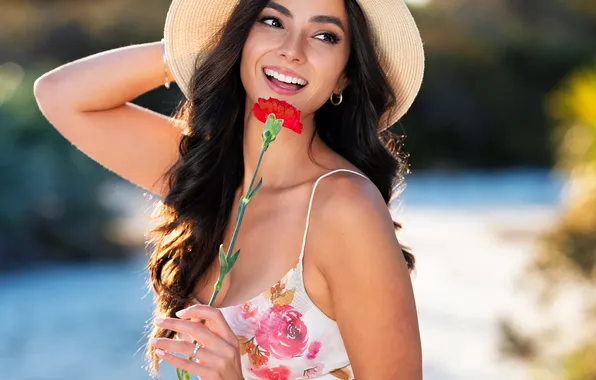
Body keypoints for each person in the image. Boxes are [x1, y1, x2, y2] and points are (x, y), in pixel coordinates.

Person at [33, 0, 425, 378]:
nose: (292, 50)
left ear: (345, 74)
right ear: (239, 37)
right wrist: (199, 44)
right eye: (272, 22)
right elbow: (60, 95)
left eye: (324, 36)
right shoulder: (204, 174)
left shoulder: (345, 207)